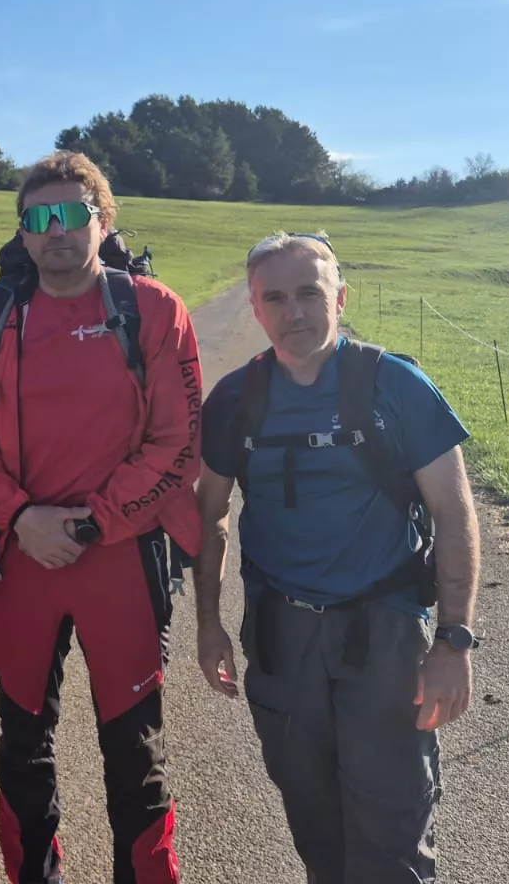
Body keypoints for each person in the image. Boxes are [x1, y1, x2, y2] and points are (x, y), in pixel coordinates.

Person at [0, 152, 204, 884]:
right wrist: (22, 517)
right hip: (22, 558)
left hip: (121, 558)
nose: (54, 230)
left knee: (135, 750)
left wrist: (90, 523)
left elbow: (178, 440)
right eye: (37, 218)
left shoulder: (152, 308)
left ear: (103, 219)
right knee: (21, 743)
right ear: (23, 234)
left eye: (70, 214)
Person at [193, 231, 480, 884]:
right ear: (256, 309)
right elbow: (208, 512)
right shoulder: (235, 400)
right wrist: (208, 625)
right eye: (276, 298)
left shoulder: (397, 386)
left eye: (309, 294)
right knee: (311, 813)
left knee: (392, 827)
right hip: (280, 635)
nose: (294, 313)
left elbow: (455, 513)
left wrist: (454, 642)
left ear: (340, 298)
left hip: (384, 632)